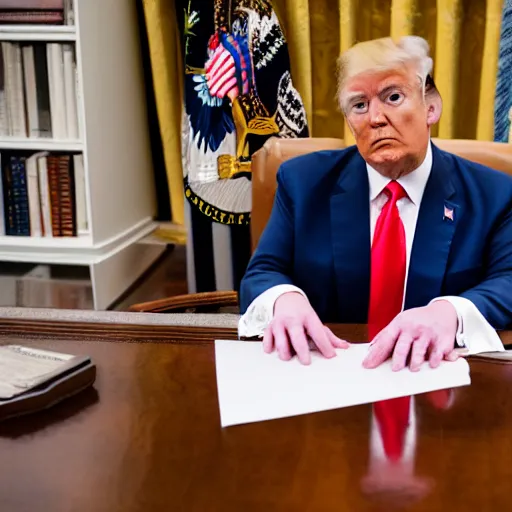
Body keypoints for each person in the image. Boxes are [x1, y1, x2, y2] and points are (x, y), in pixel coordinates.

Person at [238, 36, 512, 369]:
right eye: (359, 105)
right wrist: (284, 299)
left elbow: (508, 279)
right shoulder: (303, 182)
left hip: (435, 374)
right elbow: (264, 271)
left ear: (431, 107)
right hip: (327, 372)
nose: (376, 118)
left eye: (393, 97)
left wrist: (450, 312)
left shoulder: (494, 193)